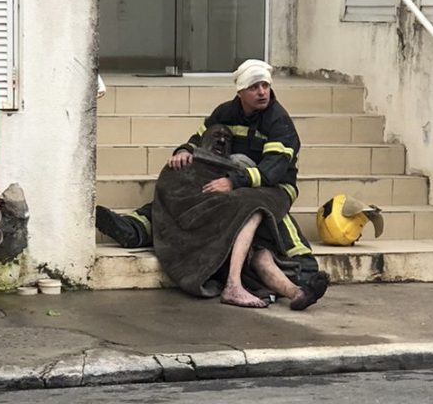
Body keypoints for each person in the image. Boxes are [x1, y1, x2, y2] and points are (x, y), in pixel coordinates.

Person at [97, 59, 328, 309]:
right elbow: (200, 137)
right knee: (188, 190)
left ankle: (261, 281)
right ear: (240, 92)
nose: (262, 92)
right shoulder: (225, 113)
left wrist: (232, 182)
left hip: (274, 187)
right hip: (232, 180)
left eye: (265, 85)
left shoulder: (278, 121)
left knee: (251, 204)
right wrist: (185, 151)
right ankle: (136, 228)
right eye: (254, 87)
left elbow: (272, 170)